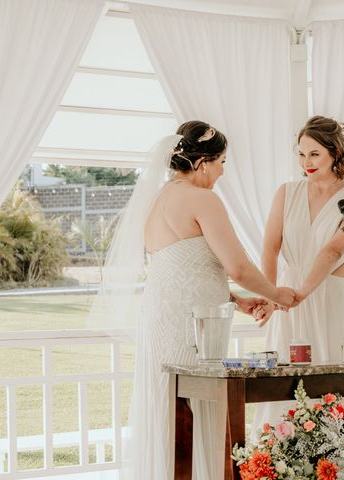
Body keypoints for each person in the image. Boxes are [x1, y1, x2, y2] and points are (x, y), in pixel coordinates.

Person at [95, 121, 295, 480]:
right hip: (193, 330)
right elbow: (237, 264)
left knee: (169, 406)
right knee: (199, 404)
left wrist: (237, 300)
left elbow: (184, 269)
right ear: (203, 163)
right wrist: (275, 293)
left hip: (163, 320)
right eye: (221, 163)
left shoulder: (156, 200)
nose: (221, 173)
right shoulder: (203, 199)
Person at [255, 115, 344, 362]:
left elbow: (332, 251)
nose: (306, 163)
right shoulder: (286, 193)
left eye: (314, 154)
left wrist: (302, 293)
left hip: (333, 297)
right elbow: (270, 248)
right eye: (301, 155)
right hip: (289, 296)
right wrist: (270, 295)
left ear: (335, 153)